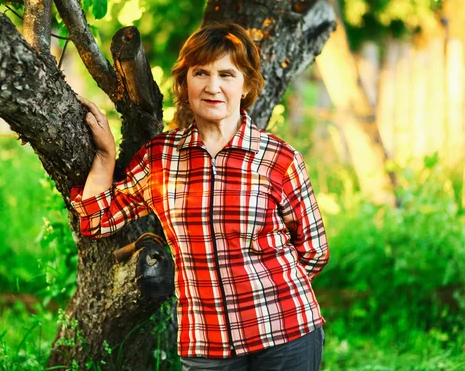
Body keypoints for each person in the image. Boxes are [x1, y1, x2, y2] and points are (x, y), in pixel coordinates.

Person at [71, 23, 329, 371]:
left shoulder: (279, 160)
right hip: (206, 342)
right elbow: (97, 219)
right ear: (185, 81)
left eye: (227, 74)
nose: (213, 87)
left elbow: (313, 251)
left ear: (247, 84)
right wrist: (104, 157)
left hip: (284, 333)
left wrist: (263, 294)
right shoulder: (160, 158)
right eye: (201, 73)